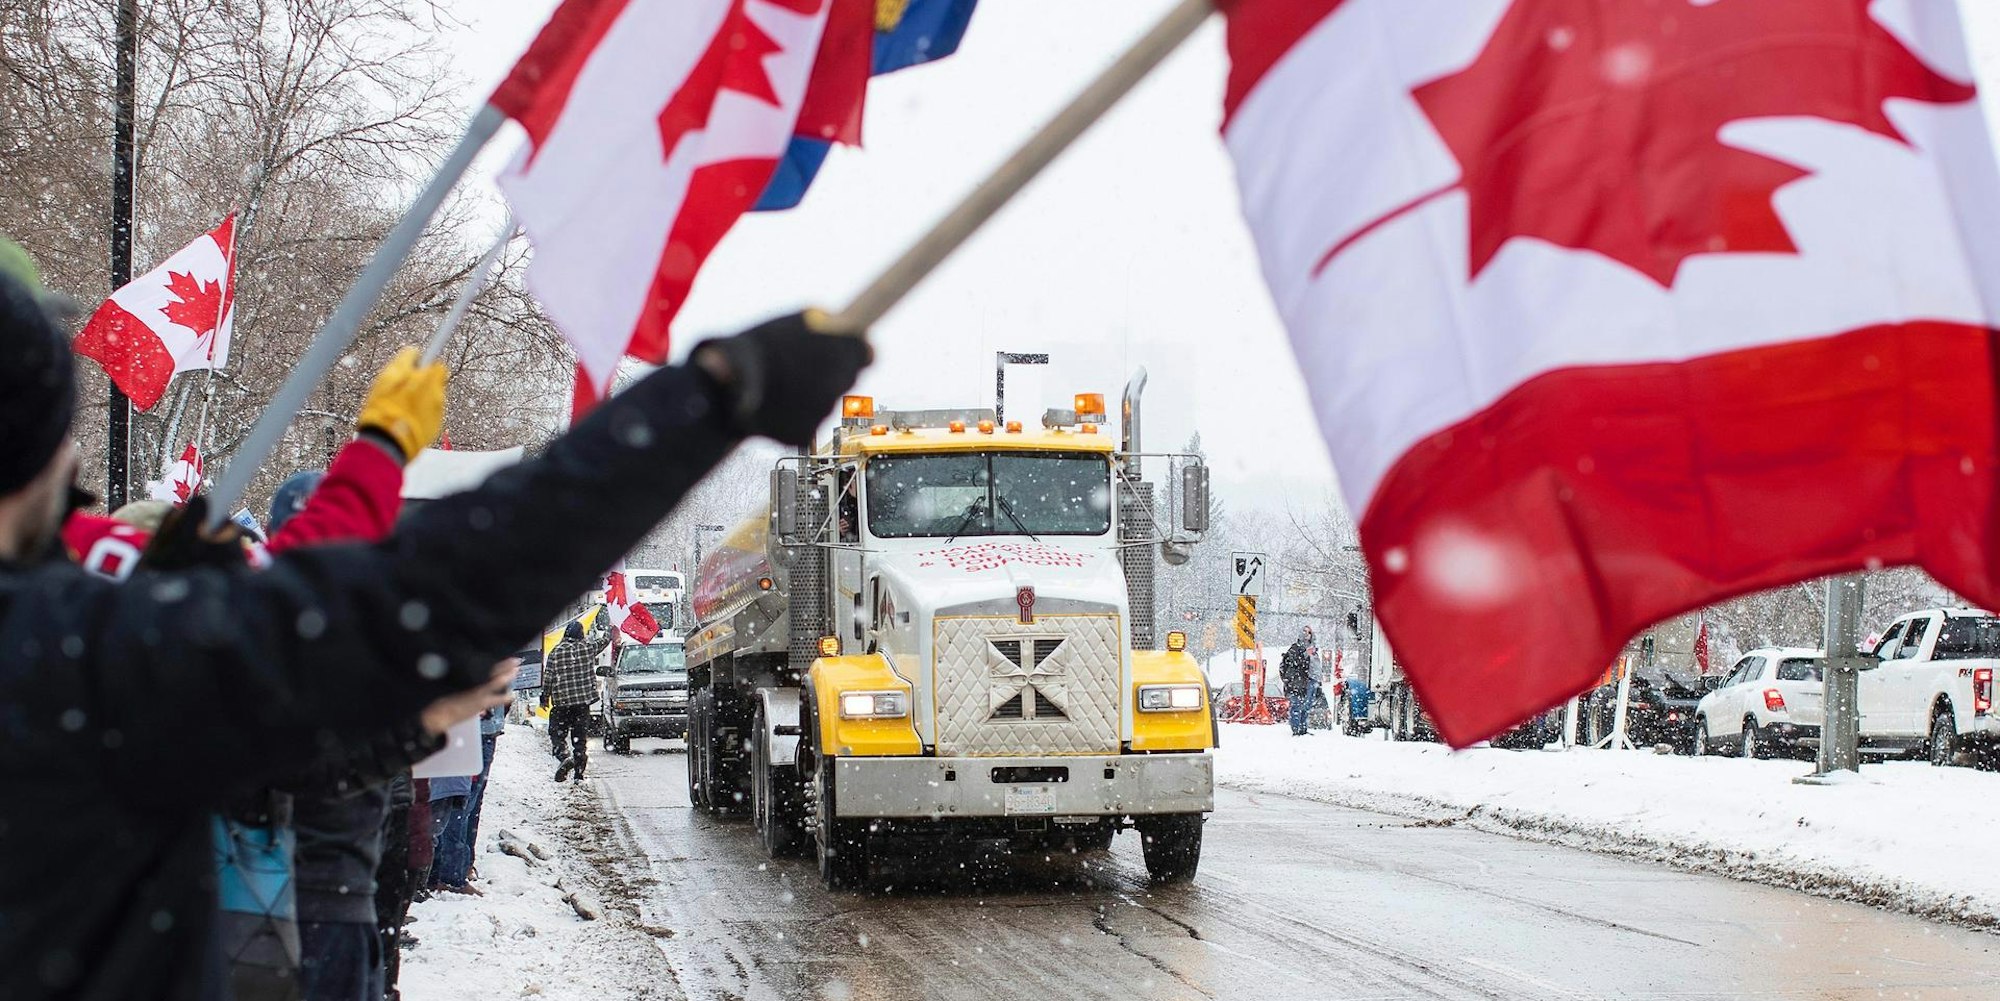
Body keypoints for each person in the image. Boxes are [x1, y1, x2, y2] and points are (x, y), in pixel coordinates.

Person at [0, 257, 871, 1001]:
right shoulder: (67, 652)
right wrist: (711, 397)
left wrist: (375, 455)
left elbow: (334, 601)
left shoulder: (73, 638)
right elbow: (426, 588)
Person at [545, 618, 611, 782]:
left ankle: (564, 756)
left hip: (561, 703)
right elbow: (602, 642)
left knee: (557, 734)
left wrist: (545, 697)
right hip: (582, 704)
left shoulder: (556, 651)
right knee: (579, 739)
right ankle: (578, 773)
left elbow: (548, 677)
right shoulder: (586, 648)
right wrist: (611, 631)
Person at [1280, 626, 1318, 736]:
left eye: (1309, 632)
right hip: (1297, 683)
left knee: (1306, 706)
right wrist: (1305, 654)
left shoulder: (1314, 650)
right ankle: (1296, 730)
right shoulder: (1295, 648)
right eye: (1304, 631)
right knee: (1296, 705)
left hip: (1309, 681)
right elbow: (1294, 663)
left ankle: (1303, 729)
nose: (1307, 634)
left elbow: (1315, 666)